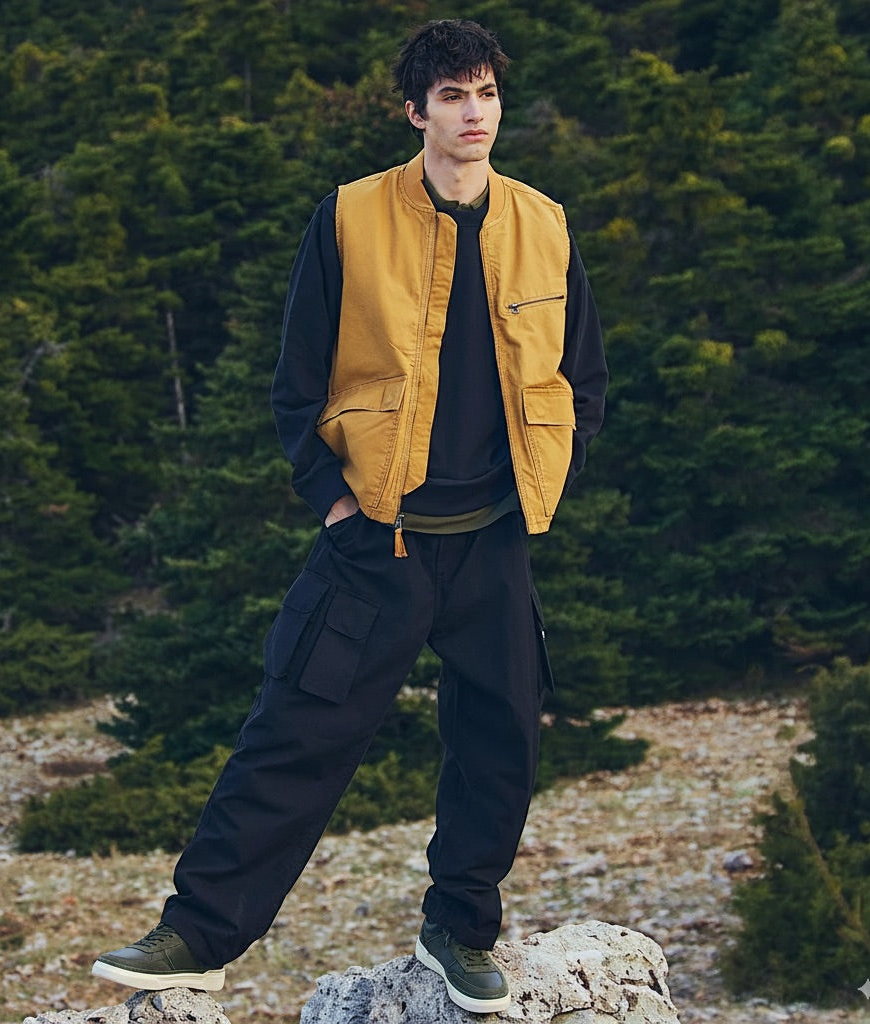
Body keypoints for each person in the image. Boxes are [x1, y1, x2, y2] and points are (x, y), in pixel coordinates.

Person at [92, 18, 607, 1015]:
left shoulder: (544, 222)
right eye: (452, 96)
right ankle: (197, 935)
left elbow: (581, 377)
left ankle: (460, 930)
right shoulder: (349, 217)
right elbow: (296, 381)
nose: (474, 114)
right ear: (415, 111)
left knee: (500, 746)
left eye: (487, 93)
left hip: (492, 541)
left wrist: (549, 476)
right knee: (295, 733)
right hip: (380, 541)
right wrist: (332, 501)